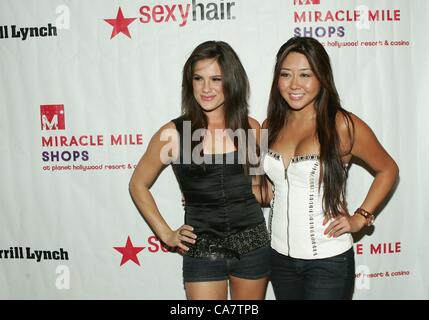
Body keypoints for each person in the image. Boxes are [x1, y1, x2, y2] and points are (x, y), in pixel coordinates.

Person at [129, 40, 270, 300]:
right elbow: (138, 184)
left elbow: (260, 191)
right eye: (198, 78)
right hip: (202, 248)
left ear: (232, 81)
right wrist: (166, 234)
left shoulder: (251, 128)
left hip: (253, 243)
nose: (206, 88)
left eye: (216, 79)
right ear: (189, 82)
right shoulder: (173, 134)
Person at [262, 36, 399, 300]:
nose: (294, 85)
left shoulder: (343, 124)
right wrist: (211, 194)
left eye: (305, 74)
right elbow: (270, 193)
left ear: (322, 77)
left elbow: (388, 169)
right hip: (279, 259)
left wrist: (361, 217)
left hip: (328, 260)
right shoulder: (270, 125)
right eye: (285, 74)